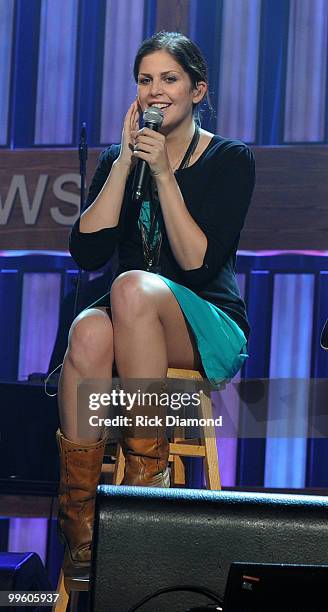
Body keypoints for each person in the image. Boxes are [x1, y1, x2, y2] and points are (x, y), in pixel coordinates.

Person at [56, 31, 255, 578]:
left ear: (198, 90)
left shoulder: (230, 159)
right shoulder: (124, 157)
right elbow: (86, 251)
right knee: (90, 333)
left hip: (206, 321)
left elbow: (197, 265)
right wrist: (124, 164)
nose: (155, 91)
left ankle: (149, 490)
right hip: (130, 314)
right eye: (145, 81)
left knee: (132, 287)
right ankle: (82, 522)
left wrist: (165, 174)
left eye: (169, 79)